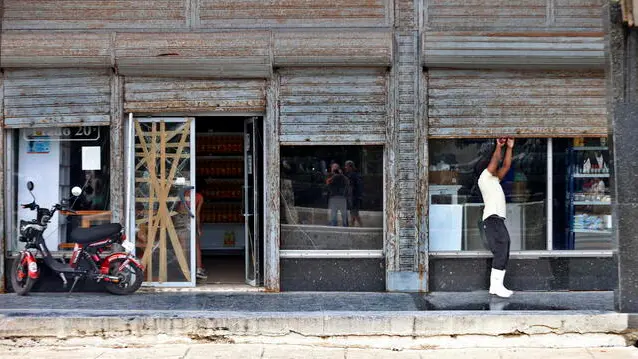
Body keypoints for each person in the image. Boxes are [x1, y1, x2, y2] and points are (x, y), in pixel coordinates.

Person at [478, 138, 515, 298]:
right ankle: (496, 286)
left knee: (504, 248)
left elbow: (506, 166)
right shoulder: (484, 177)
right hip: (492, 218)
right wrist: (499, 146)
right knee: (502, 247)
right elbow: (496, 160)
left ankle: (496, 286)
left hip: (497, 219)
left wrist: (510, 147)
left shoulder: (495, 180)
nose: (495, 167)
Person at [326, 162, 349, 227]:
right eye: (333, 168)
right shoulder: (330, 176)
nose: (333, 169)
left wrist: (341, 175)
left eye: (335, 168)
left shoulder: (342, 176)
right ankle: (334, 226)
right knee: (333, 214)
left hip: (342, 197)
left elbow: (347, 182)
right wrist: (334, 176)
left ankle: (345, 227)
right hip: (333, 197)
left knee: (344, 214)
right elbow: (327, 183)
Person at [344, 160, 363, 227]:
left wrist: (351, 197)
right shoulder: (354, 175)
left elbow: (352, 187)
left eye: (346, 166)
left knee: (354, 213)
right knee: (353, 213)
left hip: (354, 197)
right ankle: (352, 226)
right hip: (354, 197)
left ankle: (360, 226)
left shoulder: (352, 175)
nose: (345, 167)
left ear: (350, 167)